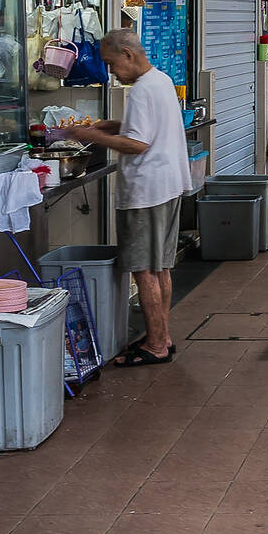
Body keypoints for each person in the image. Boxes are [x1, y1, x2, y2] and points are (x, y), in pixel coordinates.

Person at [65, 30, 190, 367]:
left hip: (146, 191)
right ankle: (161, 337)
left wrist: (87, 134)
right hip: (169, 185)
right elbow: (148, 126)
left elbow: (137, 144)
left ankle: (156, 345)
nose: (111, 72)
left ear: (128, 54)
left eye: (111, 64)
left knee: (143, 271)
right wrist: (112, 124)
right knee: (160, 267)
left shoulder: (141, 91)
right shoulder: (161, 80)